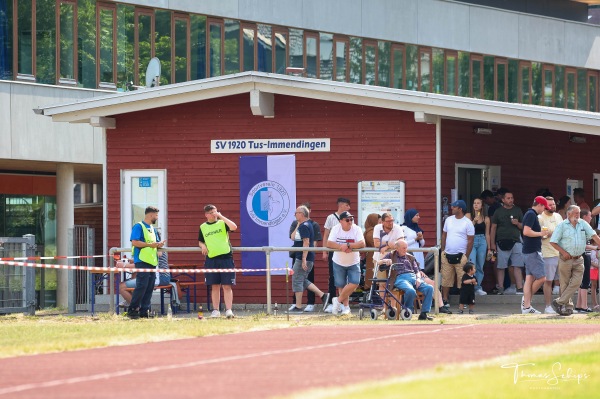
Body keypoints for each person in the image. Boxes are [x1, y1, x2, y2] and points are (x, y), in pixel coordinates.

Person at [550, 205, 600, 316]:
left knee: (577, 282)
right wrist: (563, 252)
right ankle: (568, 307)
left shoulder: (583, 223)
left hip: (579, 258)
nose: (578, 215)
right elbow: (553, 241)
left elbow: (594, 235)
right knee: (565, 284)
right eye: (575, 213)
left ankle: (559, 302)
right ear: (569, 214)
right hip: (565, 258)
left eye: (578, 213)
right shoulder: (562, 225)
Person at [120, 229, 183, 309]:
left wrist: (124, 265)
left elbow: (143, 264)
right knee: (135, 275)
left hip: (160, 278)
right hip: (162, 276)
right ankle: (134, 302)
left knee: (122, 286)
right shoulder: (155, 249)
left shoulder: (155, 249)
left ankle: (136, 306)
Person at [288, 206, 330, 313]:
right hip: (304, 257)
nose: (295, 214)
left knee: (297, 280)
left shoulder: (305, 226)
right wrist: (298, 224)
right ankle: (323, 295)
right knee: (302, 280)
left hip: (303, 257)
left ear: (302, 214)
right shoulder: (303, 225)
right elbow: (293, 238)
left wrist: (303, 259)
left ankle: (298, 306)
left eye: (296, 213)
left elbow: (306, 242)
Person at [198, 204, 238, 318]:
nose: (214, 214)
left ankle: (229, 310)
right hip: (211, 259)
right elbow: (200, 241)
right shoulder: (203, 226)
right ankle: (215, 310)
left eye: (215, 212)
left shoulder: (222, 223)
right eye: (211, 213)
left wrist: (221, 216)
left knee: (227, 285)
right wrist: (203, 246)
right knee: (214, 286)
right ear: (206, 215)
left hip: (226, 258)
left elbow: (234, 227)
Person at [379, 240, 434, 320]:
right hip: (400, 278)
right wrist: (385, 261)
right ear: (397, 248)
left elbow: (417, 271)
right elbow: (379, 262)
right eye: (403, 248)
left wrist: (418, 278)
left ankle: (424, 313)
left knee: (429, 288)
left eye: (406, 248)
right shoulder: (391, 255)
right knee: (410, 290)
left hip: (413, 277)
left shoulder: (410, 257)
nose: (406, 250)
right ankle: (408, 311)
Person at [128, 206, 166, 319]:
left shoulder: (153, 229)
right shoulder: (138, 226)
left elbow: (156, 243)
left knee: (149, 286)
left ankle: (145, 311)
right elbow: (135, 242)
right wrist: (150, 245)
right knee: (141, 286)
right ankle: (133, 310)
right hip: (142, 260)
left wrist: (159, 245)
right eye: (156, 215)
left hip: (152, 261)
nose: (157, 217)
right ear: (150, 215)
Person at [326, 211, 365, 315]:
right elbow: (329, 243)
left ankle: (337, 300)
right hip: (338, 261)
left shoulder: (357, 229)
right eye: (347, 220)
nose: (350, 222)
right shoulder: (335, 229)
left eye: (351, 219)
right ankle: (346, 307)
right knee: (341, 285)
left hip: (353, 261)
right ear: (340, 221)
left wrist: (348, 245)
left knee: (355, 283)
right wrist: (340, 247)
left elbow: (362, 243)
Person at [441, 200, 474, 308]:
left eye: (454, 207)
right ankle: (445, 300)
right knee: (446, 279)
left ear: (460, 209)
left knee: (462, 279)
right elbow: (444, 235)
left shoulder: (467, 222)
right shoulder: (448, 220)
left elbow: (470, 240)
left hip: (461, 255)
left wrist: (466, 255)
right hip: (447, 254)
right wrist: (443, 250)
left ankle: (463, 301)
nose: (452, 208)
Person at [521, 196, 551, 314]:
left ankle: (527, 307)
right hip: (532, 251)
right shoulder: (531, 214)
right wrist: (541, 233)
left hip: (529, 250)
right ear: (539, 204)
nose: (544, 210)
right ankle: (526, 301)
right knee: (542, 277)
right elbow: (526, 231)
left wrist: (540, 234)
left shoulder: (530, 214)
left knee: (529, 278)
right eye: (544, 207)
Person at [489, 190, 524, 295]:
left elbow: (523, 226)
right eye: (508, 198)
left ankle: (519, 288)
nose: (511, 200)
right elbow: (493, 227)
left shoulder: (517, 210)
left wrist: (517, 223)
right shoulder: (498, 211)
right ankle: (500, 288)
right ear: (503, 200)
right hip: (501, 241)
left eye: (512, 198)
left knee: (517, 265)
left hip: (516, 241)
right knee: (501, 266)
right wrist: (492, 244)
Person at [322, 197, 351, 312]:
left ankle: (343, 302)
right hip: (334, 250)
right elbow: (326, 235)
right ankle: (331, 302)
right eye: (347, 205)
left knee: (346, 278)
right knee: (333, 276)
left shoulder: (349, 218)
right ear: (341, 205)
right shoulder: (330, 217)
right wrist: (325, 251)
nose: (349, 208)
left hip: (346, 251)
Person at [538, 196, 563, 314]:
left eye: (554, 204)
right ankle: (548, 306)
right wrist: (553, 233)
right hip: (547, 252)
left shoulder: (558, 216)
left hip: (561, 252)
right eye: (550, 204)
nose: (553, 206)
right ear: (544, 206)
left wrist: (552, 233)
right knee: (548, 281)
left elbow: (564, 231)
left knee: (563, 281)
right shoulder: (540, 218)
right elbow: (543, 235)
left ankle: (562, 305)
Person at [465, 198, 491, 296]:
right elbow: (466, 229)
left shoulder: (486, 219)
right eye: (474, 203)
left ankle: (478, 287)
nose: (476, 205)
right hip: (472, 240)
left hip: (482, 240)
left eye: (478, 203)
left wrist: (489, 248)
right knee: (472, 265)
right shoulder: (468, 216)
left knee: (480, 265)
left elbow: (487, 234)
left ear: (482, 206)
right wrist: (474, 222)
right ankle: (471, 287)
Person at [373, 212, 405, 289]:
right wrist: (388, 243)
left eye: (392, 220)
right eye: (388, 221)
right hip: (380, 258)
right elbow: (376, 243)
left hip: (394, 258)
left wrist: (386, 246)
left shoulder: (397, 228)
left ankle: (393, 301)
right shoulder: (377, 227)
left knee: (394, 284)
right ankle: (383, 301)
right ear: (382, 222)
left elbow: (401, 243)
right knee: (382, 283)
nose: (390, 223)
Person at [575, 209, 596, 313]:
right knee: (586, 280)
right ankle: (584, 306)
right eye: (589, 216)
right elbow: (583, 244)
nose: (591, 218)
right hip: (584, 255)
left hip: (583, 255)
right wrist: (595, 248)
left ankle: (579, 305)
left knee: (582, 281)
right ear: (584, 217)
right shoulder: (583, 227)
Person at [363, 213, 380, 291]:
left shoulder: (374, 231)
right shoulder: (370, 232)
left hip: (376, 256)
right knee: (373, 275)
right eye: (378, 221)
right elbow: (376, 244)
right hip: (373, 257)